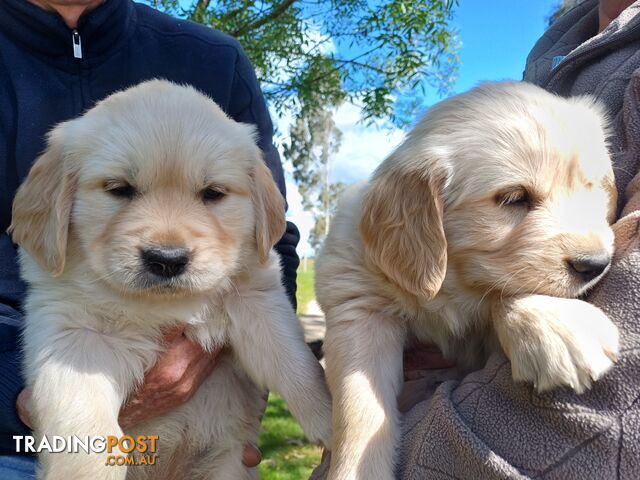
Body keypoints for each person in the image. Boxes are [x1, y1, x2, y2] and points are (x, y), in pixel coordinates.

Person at [307, 0, 640, 478]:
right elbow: (360, 310)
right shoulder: (550, 58)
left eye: (589, 188)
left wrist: (516, 308)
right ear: (423, 204)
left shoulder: (582, 115)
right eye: (514, 198)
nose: (591, 247)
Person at [0, 0, 300, 476]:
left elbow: (269, 245)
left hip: (212, 427)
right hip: (22, 435)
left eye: (210, 192)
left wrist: (249, 403)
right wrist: (21, 400)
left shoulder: (214, 60)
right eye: (121, 189)